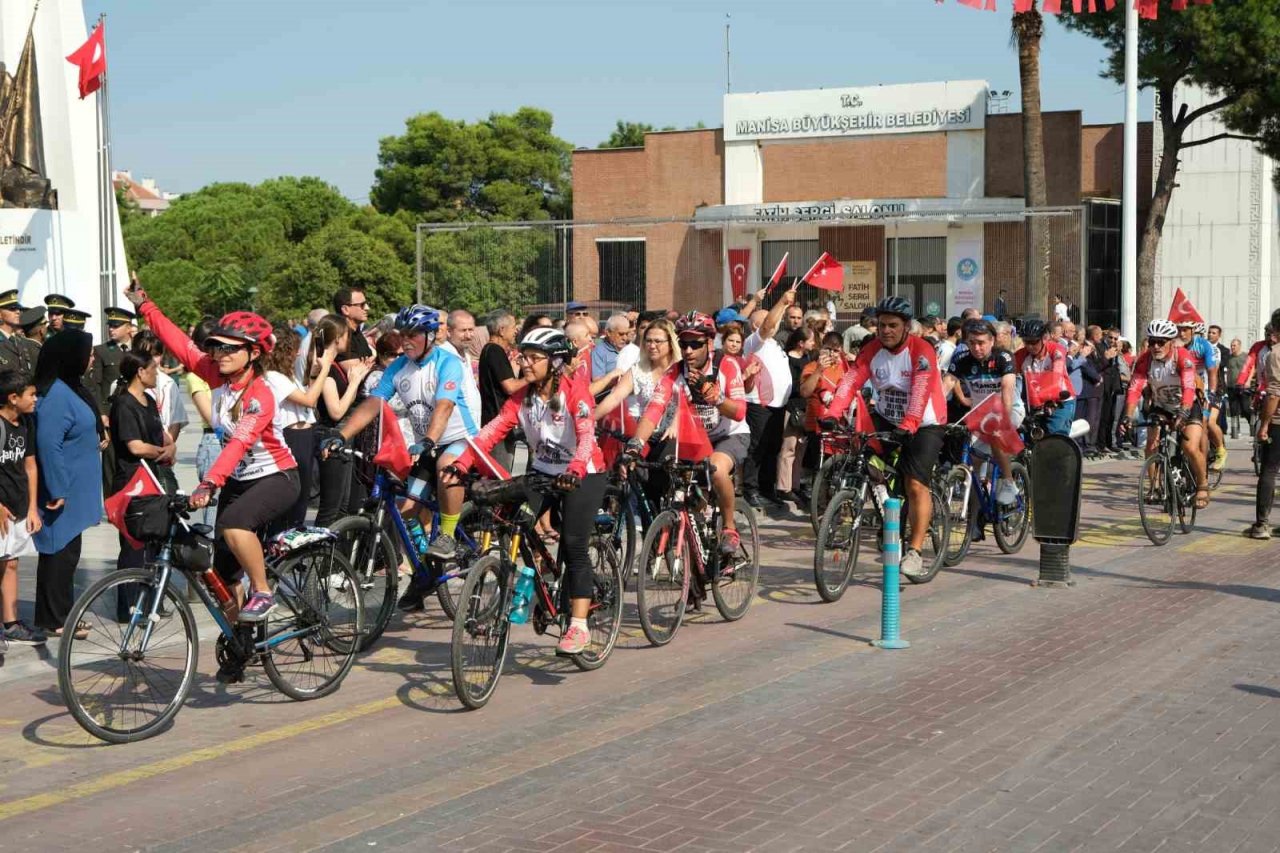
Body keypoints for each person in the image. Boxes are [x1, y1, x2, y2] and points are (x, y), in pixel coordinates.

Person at [128, 280, 300, 627]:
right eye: (216, 347)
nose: (220, 355)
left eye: (230, 349)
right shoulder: (214, 374)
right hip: (238, 479)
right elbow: (180, 344)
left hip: (276, 477)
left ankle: (264, 592)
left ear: (253, 353)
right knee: (220, 574)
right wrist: (145, 305)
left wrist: (208, 483)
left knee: (236, 526)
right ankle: (241, 641)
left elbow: (238, 443)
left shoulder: (260, 395)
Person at [451, 328, 606, 655]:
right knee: (516, 524)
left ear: (556, 362)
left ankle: (579, 627)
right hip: (542, 473)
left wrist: (576, 470)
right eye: (523, 356)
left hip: (583, 473)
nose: (525, 363)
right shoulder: (522, 398)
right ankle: (535, 585)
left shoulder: (576, 393)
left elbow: (586, 437)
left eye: (534, 358)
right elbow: (490, 433)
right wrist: (463, 462)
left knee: (574, 543)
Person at [325, 305, 481, 610]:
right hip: (427, 444)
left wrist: (430, 440)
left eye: (413, 335)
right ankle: (425, 574)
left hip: (458, 440)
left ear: (430, 336)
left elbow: (445, 406)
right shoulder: (399, 368)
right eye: (402, 335)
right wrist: (342, 434)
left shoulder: (447, 363)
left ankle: (448, 535)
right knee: (406, 510)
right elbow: (374, 404)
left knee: (445, 465)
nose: (405, 341)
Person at [821, 296, 946, 579]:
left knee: (914, 483)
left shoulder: (922, 350)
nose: (885, 331)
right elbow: (852, 380)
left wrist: (911, 422)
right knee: (862, 455)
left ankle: (914, 551)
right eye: (880, 325)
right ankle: (887, 506)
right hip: (888, 416)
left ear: (906, 327)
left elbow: (921, 389)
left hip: (924, 421)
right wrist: (833, 412)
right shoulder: (872, 349)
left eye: (892, 325)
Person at [625, 311, 749, 559]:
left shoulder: (727, 364)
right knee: (670, 474)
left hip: (729, 435)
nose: (689, 350)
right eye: (684, 344)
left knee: (715, 469)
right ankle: (692, 528)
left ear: (709, 343)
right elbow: (654, 410)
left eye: (696, 344)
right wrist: (635, 444)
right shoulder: (675, 372)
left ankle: (729, 528)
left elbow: (739, 412)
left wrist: (717, 398)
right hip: (695, 438)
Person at [32, 329, 102, 639]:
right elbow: (48, 444)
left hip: (75, 488)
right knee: (58, 553)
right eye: (87, 353)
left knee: (68, 553)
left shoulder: (70, 388)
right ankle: (54, 618)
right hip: (62, 491)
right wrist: (58, 488)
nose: (92, 358)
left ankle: (61, 613)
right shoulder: (57, 395)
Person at [107, 351, 175, 620]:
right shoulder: (123, 404)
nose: (157, 373)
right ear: (140, 372)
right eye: (153, 369)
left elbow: (162, 434)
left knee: (152, 543)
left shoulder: (148, 400)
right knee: (133, 544)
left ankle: (150, 602)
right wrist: (162, 450)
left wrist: (169, 446)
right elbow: (134, 446)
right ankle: (129, 606)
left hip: (153, 478)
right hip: (132, 482)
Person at [1122, 319, 1209, 511]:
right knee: (1151, 444)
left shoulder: (1183, 357)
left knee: (1189, 446)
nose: (1155, 346)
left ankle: (1202, 485)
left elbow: (1188, 387)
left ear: (1171, 341)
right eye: (1152, 341)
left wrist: (1184, 411)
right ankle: (1155, 487)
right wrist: (1127, 416)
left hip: (1187, 404)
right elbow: (1135, 389)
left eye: (1161, 342)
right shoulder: (1145, 360)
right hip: (1161, 406)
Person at [944, 319, 1022, 506]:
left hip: (1010, 409)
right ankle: (975, 518)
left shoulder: (1004, 357)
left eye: (981, 343)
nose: (976, 348)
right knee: (973, 463)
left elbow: (1007, 389)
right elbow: (945, 385)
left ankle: (1010, 482)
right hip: (980, 414)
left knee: (995, 436)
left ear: (992, 341)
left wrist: (1003, 419)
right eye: (972, 343)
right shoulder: (961, 360)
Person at [263, 325, 332, 533]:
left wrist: (314, 375)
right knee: (293, 498)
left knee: (302, 498)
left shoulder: (287, 375)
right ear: (285, 351)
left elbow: (308, 393)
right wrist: (326, 369)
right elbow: (309, 400)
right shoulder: (273, 377)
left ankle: (292, 544)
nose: (299, 353)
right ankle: (280, 544)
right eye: (295, 348)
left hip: (304, 435)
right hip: (292, 437)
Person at [309, 314, 371, 528]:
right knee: (331, 508)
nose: (349, 341)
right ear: (337, 338)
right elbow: (336, 411)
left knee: (342, 506)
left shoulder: (333, 365)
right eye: (347, 336)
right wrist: (354, 382)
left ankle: (336, 558)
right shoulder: (324, 369)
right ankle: (318, 555)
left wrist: (357, 378)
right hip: (329, 436)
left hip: (340, 437)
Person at [741, 288, 797, 509]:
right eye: (768, 320)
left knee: (773, 447)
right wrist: (782, 301)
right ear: (756, 325)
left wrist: (783, 306)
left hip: (778, 405)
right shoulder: (754, 341)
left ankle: (767, 488)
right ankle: (750, 489)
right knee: (757, 446)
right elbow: (767, 325)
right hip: (759, 404)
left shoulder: (774, 343)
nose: (775, 324)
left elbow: (772, 323)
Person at [0, 370, 44, 645]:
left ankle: (11, 623)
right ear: (13, 398)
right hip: (1, 510)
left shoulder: (26, 422)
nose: (35, 399)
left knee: (11, 564)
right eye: (31, 395)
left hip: (17, 507)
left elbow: (30, 466)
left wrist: (32, 507)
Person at [594, 317, 679, 443]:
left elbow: (688, 404)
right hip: (643, 436)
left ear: (671, 343)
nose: (652, 346)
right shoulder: (638, 370)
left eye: (658, 341)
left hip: (675, 436)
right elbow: (615, 397)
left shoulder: (682, 368)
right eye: (648, 341)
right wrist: (589, 419)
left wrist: (676, 425)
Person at [478, 311, 526, 471]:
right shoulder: (494, 351)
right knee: (500, 472)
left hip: (494, 420)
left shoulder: (489, 350)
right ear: (501, 330)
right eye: (513, 327)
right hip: (497, 422)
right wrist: (531, 378)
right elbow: (510, 387)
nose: (516, 331)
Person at [1248, 312, 1280, 539]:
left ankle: (1261, 524)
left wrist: (1264, 425)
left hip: (1278, 420)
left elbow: (1274, 394)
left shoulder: (1275, 355)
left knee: (1269, 468)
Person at [1014, 319, 1075, 436]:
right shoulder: (1020, 356)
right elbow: (1012, 380)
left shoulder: (1056, 350)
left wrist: (1052, 399)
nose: (1030, 346)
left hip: (1060, 400)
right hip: (1036, 403)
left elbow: (1057, 374)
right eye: (1026, 342)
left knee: (1054, 436)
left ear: (1044, 338)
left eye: (1034, 342)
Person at [777, 327, 815, 503]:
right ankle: (783, 487)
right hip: (792, 408)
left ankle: (795, 485)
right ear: (801, 343)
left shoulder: (809, 359)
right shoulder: (787, 359)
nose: (814, 343)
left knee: (801, 449)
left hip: (806, 409)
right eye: (811, 340)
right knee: (789, 448)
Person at [334, 287, 373, 366]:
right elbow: (357, 374)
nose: (367, 308)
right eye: (362, 305)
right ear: (345, 310)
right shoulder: (341, 337)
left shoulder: (357, 332)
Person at [1225, 338, 1248, 439]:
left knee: (1245, 409)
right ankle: (1235, 430)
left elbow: (1252, 369)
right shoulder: (1229, 358)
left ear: (1239, 346)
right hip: (1231, 387)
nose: (1232, 347)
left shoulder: (1245, 357)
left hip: (1243, 387)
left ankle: (1253, 426)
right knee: (1233, 410)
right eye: (1231, 345)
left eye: (1234, 345)